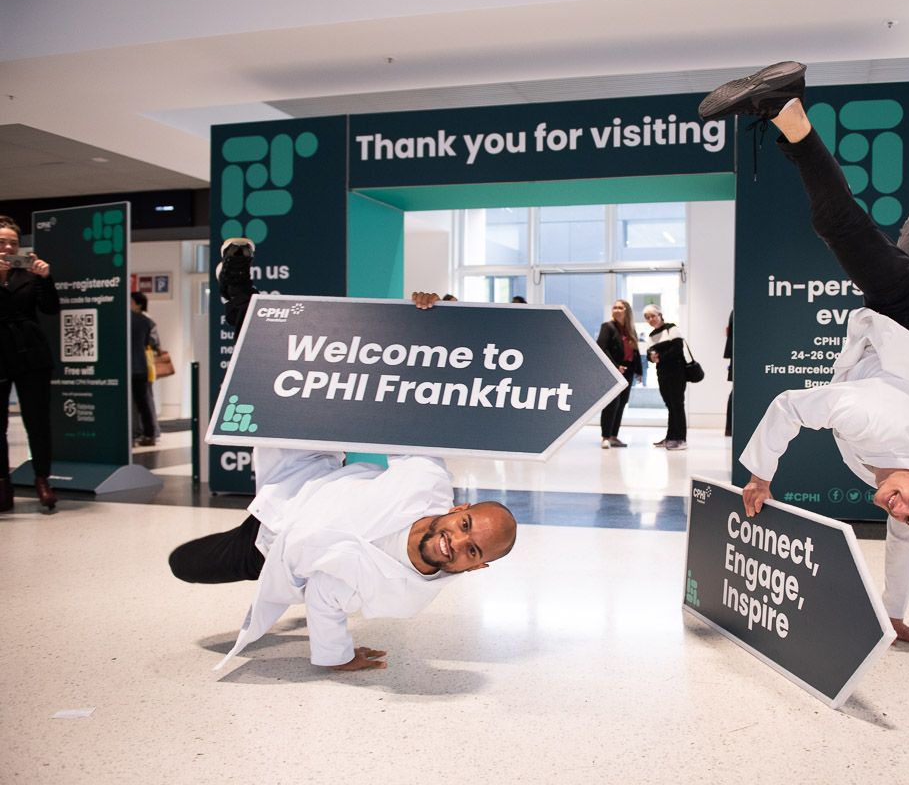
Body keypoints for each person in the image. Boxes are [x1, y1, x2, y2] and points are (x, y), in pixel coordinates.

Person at [699, 62, 909, 647]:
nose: (899, 513)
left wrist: (893, 617)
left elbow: (906, 549)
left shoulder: (901, 480)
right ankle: (788, 111)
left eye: (906, 516)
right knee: (837, 223)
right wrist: (761, 475)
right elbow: (789, 405)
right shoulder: (875, 423)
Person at [179, 244, 520, 670]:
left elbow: (324, 596)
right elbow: (413, 406)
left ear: (478, 567)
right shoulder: (426, 483)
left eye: (472, 551)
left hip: (272, 546)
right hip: (305, 476)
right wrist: (422, 322)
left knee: (183, 565)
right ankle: (238, 292)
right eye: (465, 525)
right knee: (275, 349)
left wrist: (335, 657)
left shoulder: (404, 594)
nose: (457, 541)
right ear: (459, 508)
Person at [0, 216, 60, 510]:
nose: (9, 247)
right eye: (2, 242)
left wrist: (45, 278)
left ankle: (42, 480)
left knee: (37, 421)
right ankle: (3, 485)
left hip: (31, 351)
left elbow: (50, 308)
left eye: (13, 242)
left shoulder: (30, 273)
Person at [596, 299, 643, 448]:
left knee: (622, 403)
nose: (616, 310)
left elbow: (635, 351)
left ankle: (614, 436)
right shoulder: (608, 327)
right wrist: (615, 367)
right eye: (614, 307)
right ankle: (605, 436)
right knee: (611, 403)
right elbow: (601, 348)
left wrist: (639, 371)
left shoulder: (630, 329)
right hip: (613, 371)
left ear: (626, 311)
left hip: (628, 371)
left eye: (620, 308)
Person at [644, 304, 688, 450]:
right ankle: (670, 437)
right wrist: (652, 357)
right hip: (662, 374)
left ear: (660, 315)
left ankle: (681, 439)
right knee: (670, 405)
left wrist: (659, 357)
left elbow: (677, 349)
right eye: (647, 317)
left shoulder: (672, 328)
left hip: (677, 373)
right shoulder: (651, 336)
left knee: (677, 404)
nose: (651, 319)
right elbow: (649, 354)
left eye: (653, 316)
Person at [130, 291, 160, 446]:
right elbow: (153, 343)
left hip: (129, 367)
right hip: (142, 366)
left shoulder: (127, 320)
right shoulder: (146, 321)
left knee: (133, 405)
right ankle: (150, 434)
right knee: (144, 403)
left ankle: (133, 434)